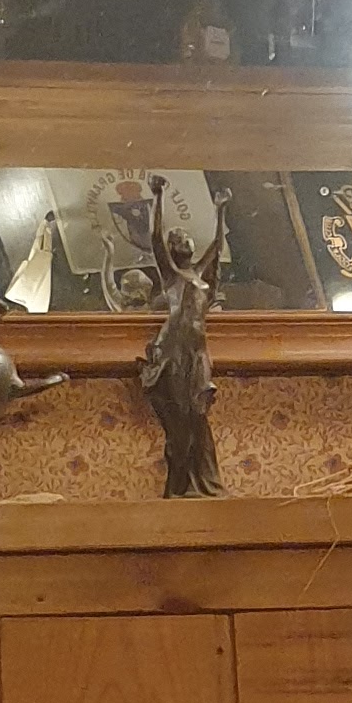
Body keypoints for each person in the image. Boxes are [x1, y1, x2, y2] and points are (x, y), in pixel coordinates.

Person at [139, 178, 224, 497]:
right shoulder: (171, 275)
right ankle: (179, 485)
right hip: (173, 349)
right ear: (173, 249)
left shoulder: (200, 275)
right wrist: (157, 196)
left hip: (197, 352)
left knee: (199, 414)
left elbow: (217, 246)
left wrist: (221, 210)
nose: (183, 240)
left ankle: (202, 482)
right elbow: (154, 238)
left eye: (185, 237)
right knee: (180, 420)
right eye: (177, 239)